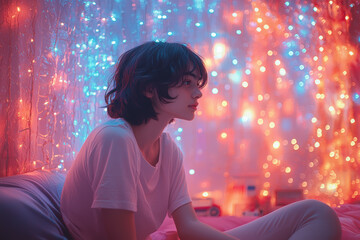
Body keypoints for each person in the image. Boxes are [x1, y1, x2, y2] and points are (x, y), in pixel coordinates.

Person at [60, 41, 342, 240]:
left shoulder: (168, 150)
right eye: (186, 83)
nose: (198, 94)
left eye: (198, 84)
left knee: (316, 213)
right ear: (149, 88)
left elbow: (189, 228)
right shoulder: (114, 140)